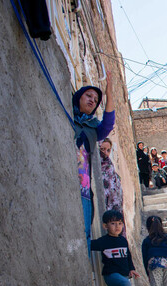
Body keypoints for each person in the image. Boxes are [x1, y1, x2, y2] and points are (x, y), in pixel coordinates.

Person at [73, 76, 115, 252]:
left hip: (83, 189)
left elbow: (108, 124)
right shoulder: (66, 115)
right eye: (88, 96)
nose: (92, 100)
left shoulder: (93, 127)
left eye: (96, 100)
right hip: (65, 181)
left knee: (84, 233)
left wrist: (109, 92)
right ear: (78, 98)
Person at [91, 210, 139, 286]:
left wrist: (131, 269)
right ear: (105, 226)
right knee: (125, 284)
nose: (117, 226)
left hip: (124, 274)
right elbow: (89, 244)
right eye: (113, 223)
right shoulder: (104, 241)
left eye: (120, 223)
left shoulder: (123, 240)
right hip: (111, 275)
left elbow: (128, 256)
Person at [99, 138, 123, 212]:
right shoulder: (95, 166)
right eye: (103, 149)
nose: (106, 152)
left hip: (114, 207)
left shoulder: (109, 166)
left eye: (108, 150)